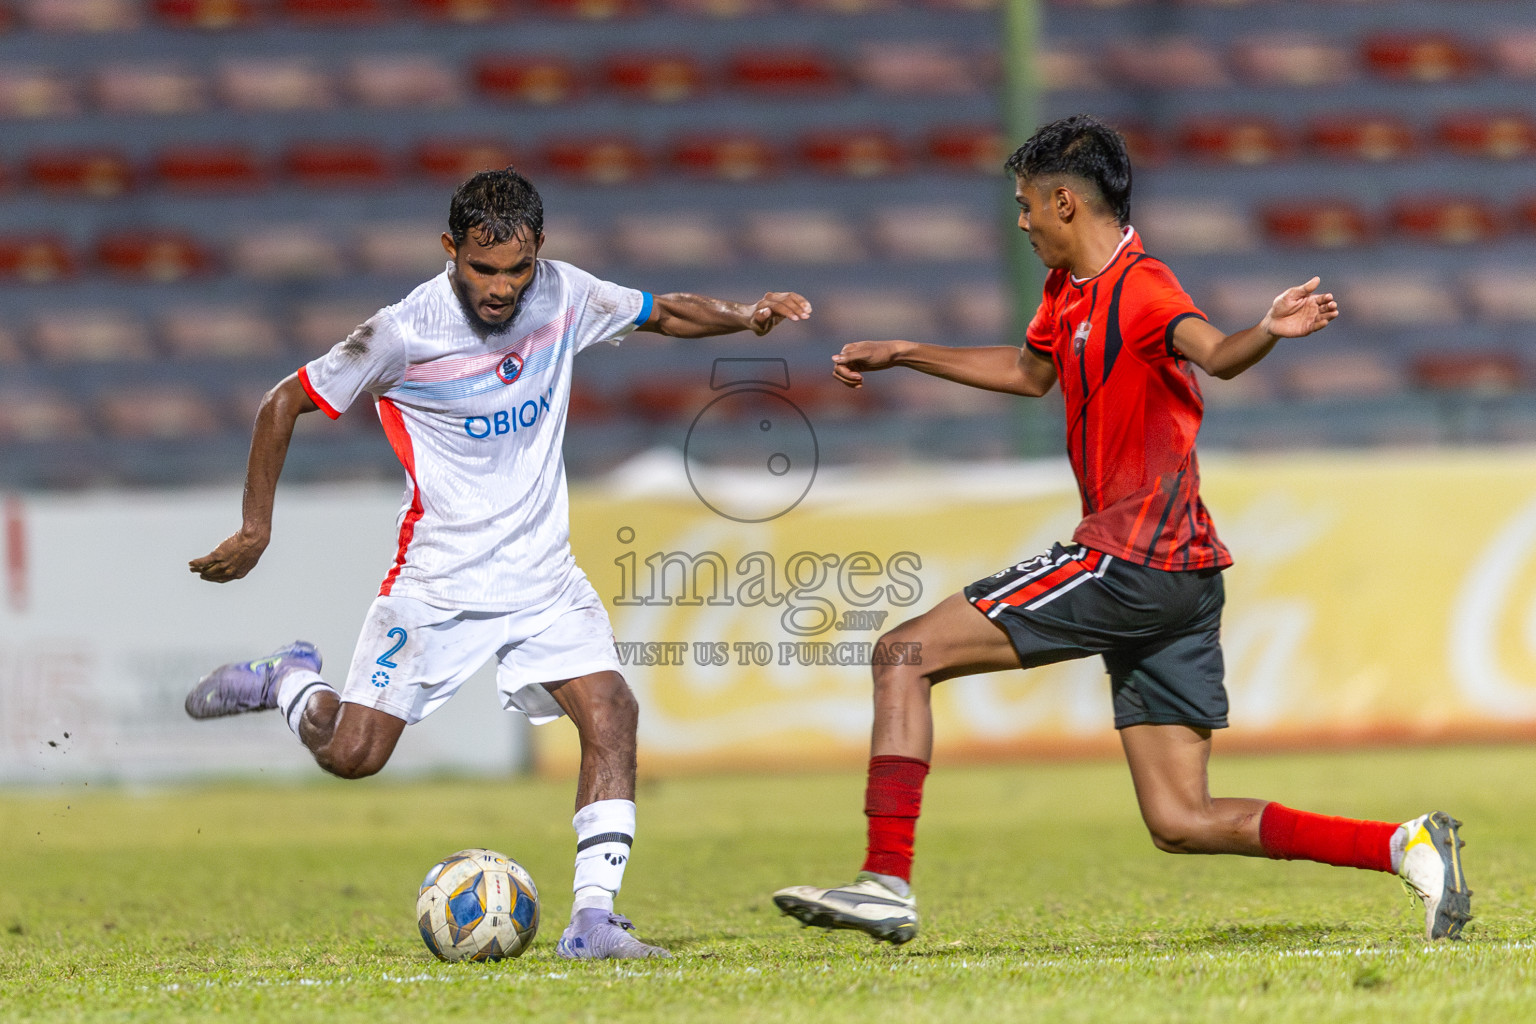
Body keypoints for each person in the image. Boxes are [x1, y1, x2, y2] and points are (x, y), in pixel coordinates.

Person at [771, 115, 1470, 946]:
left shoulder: (1142, 287)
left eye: (1027, 205)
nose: (1022, 222)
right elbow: (1029, 372)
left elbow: (1214, 352)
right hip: (1182, 578)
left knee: (903, 653)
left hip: (1131, 559)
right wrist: (906, 351)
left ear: (1064, 202)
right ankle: (1405, 846)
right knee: (1181, 817)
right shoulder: (1067, 291)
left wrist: (1266, 333)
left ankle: (886, 881)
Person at [184, 167, 812, 960]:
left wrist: (745, 315)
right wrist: (255, 528)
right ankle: (288, 681)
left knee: (612, 712)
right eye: (484, 269)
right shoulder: (401, 332)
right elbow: (285, 401)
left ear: (538, 249)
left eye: (517, 269)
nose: (502, 288)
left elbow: (662, 312)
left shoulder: (564, 292)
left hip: (543, 577)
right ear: (450, 249)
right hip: (438, 582)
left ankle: (592, 922)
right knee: (351, 756)